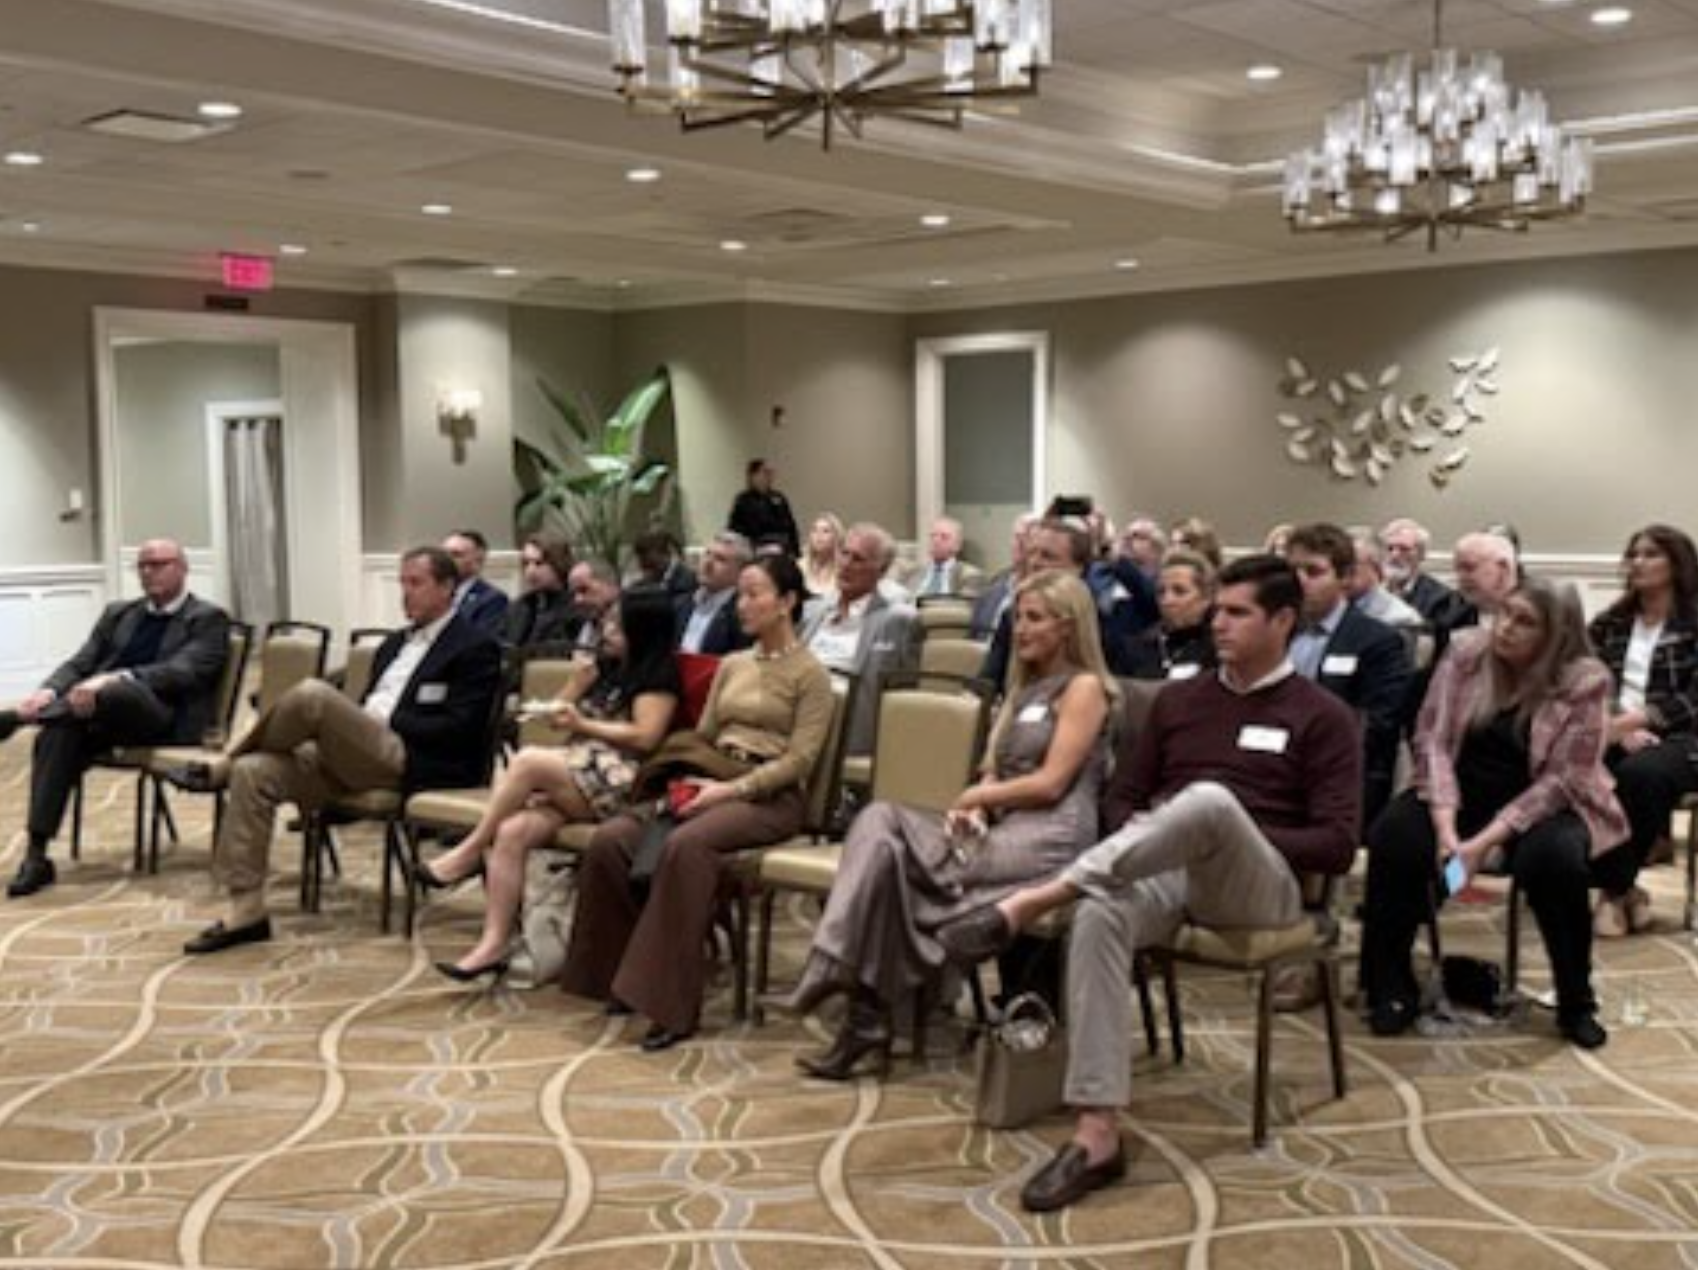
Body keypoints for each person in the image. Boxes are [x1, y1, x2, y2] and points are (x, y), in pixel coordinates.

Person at [936, 555, 1360, 1213]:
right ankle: (1096, 1133)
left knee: (1209, 802)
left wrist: (1214, 830)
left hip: (1259, 889)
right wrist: (1156, 831)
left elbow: (1335, 845)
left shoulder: (1322, 714)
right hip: (1166, 872)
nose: (1218, 623)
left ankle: (1034, 900)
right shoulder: (1181, 702)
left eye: (1238, 613)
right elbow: (1123, 796)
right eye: (1217, 610)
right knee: (1100, 912)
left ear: (1282, 621)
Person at [783, 571, 1117, 1079]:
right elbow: (994, 769)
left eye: (1034, 618)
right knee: (883, 840)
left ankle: (845, 985)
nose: (1021, 629)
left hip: (1052, 838)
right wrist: (975, 811)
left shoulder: (1085, 688)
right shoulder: (1022, 687)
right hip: (1003, 831)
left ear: (1067, 627)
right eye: (1018, 617)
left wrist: (978, 796)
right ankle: (864, 1017)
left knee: (887, 842)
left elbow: (1051, 784)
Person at [560, 554, 834, 1051]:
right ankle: (615, 976)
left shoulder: (811, 675)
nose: (742, 604)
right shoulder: (733, 664)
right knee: (613, 838)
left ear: (787, 602)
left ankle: (669, 1003)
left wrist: (732, 790)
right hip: (712, 775)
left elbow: (800, 761)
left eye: (754, 594)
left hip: (768, 795)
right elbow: (704, 735)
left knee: (686, 846)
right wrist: (691, 778)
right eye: (741, 594)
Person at [178, 546, 502, 953]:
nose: (405, 592)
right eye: (402, 582)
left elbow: (461, 729)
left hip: (412, 759)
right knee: (254, 771)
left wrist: (384, 721)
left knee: (312, 695)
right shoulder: (393, 645)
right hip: (357, 756)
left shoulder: (474, 646)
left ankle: (226, 761)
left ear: (447, 587)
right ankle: (247, 910)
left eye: (416, 583)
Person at [1359, 578, 1626, 1049]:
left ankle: (1575, 1000)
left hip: (1547, 802)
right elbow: (1433, 740)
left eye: (1525, 622)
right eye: (1504, 613)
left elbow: (1562, 780)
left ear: (1556, 633)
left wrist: (1483, 844)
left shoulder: (1585, 681)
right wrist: (1446, 828)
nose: (1505, 628)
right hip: (1460, 791)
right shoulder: (1466, 652)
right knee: (1394, 837)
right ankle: (1390, 985)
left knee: (1554, 861)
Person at [420, 589, 682, 980]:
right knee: (512, 831)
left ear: (641, 630)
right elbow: (549, 721)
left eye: (617, 625)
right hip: (582, 773)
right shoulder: (607, 669)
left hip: (624, 783)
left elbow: (645, 737)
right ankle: (493, 944)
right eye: (608, 623)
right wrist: (575, 686)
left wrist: (583, 724)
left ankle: (470, 850)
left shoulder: (658, 678)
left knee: (527, 761)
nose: (607, 631)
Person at [0, 539, 230, 898]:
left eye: (159, 564)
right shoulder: (120, 613)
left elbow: (183, 672)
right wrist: (48, 691)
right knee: (58, 734)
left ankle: (20, 719)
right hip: (102, 719)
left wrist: (114, 678)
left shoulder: (208, 618)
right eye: (143, 565)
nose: (149, 572)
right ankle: (36, 856)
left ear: (183, 568)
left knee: (117, 690)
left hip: (165, 720)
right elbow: (81, 662)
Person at [1586, 525, 1698, 937]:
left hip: (1684, 736)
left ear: (1677, 564)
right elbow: (1584, 680)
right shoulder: (1610, 623)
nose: (1637, 562)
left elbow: (1693, 699)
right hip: (1616, 729)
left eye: (1650, 554)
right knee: (1570, 763)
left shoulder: (1693, 623)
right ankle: (1624, 889)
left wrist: (1639, 721)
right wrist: (1615, 723)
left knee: (1642, 773)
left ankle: (1613, 890)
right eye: (1633, 554)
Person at [1286, 522, 1413, 831]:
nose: (1299, 582)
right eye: (1292, 571)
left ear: (1344, 578)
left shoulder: (1377, 640)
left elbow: (1378, 726)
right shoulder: (1276, 631)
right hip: (1272, 762)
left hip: (1342, 772)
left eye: (1314, 572)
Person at [799, 522, 921, 758]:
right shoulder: (812, 612)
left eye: (858, 559)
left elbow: (903, 699)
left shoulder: (896, 621)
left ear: (881, 570)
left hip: (847, 733)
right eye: (844, 554)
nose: (846, 565)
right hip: (796, 722)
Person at [1126, 549, 1216, 681]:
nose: (1167, 601)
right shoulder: (1138, 647)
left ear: (1206, 598)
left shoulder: (1218, 647)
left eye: (1179, 591)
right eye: (1161, 592)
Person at [1381, 517, 1470, 634]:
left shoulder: (1442, 599)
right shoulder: (1371, 592)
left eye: (1404, 549)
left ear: (1421, 555)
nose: (1394, 555)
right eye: (1389, 548)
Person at [675, 531, 754, 656]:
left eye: (720, 559)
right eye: (707, 554)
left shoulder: (744, 614)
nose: (708, 563)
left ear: (740, 571)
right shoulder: (680, 604)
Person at [501, 531, 576, 656]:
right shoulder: (518, 607)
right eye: (526, 563)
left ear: (559, 563)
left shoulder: (575, 607)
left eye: (539, 563)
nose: (530, 571)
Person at [971, 513, 1039, 641]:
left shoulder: (1045, 592)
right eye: (1017, 536)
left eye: (1027, 537)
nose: (1020, 543)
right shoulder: (994, 586)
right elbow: (974, 635)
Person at [1347, 528, 1424, 631]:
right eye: (1336, 564)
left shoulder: (1402, 618)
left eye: (1351, 565)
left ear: (1377, 568)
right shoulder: (1331, 609)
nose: (1341, 573)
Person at [727, 458, 800, 557]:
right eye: (765, 472)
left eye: (771, 473)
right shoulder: (743, 500)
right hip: (755, 550)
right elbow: (734, 531)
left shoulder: (779, 498)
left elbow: (791, 527)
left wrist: (796, 552)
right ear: (753, 476)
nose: (770, 476)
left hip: (781, 548)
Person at [444, 529, 510, 637]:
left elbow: (483, 641)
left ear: (478, 560)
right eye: (444, 554)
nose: (446, 560)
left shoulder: (492, 599)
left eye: (456, 555)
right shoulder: (436, 595)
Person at [900, 515, 984, 599]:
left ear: (957, 545)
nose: (936, 541)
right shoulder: (911, 573)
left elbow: (964, 604)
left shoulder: (970, 575)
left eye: (944, 537)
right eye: (933, 536)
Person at [1451, 530, 1517, 627]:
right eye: (1458, 570)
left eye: (1469, 568)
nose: (1461, 577)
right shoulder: (1450, 619)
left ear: (1503, 568)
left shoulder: (1534, 613)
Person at [563, 559, 621, 653]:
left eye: (584, 590)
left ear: (610, 585)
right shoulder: (588, 626)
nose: (577, 600)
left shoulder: (632, 624)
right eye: (573, 593)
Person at [631, 529, 696, 599]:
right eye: (641, 558)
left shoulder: (685, 579)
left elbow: (680, 603)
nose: (641, 564)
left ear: (665, 554)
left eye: (647, 559)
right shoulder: (642, 584)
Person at [801, 513, 845, 596]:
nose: (819, 535)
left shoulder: (845, 569)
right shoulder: (799, 567)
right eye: (814, 530)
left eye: (825, 531)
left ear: (836, 537)